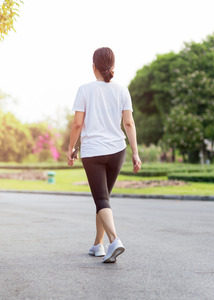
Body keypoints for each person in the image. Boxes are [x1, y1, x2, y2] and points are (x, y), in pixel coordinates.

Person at [67, 47, 141, 263]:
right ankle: (98, 245)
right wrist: (135, 153)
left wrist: (70, 148)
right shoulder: (122, 90)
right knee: (103, 200)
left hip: (94, 153)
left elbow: (77, 123)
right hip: (118, 151)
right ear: (113, 67)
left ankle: (114, 240)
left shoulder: (84, 89)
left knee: (101, 199)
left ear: (93, 67)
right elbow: (129, 123)